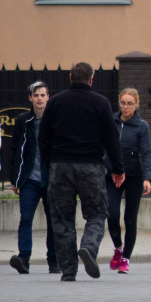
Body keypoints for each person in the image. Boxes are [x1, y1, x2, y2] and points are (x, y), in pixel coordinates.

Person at [39, 62, 124, 281]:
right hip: (90, 166)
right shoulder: (100, 103)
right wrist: (118, 168)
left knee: (62, 218)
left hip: (61, 166)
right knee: (97, 213)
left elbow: (43, 137)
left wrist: (50, 162)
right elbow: (111, 138)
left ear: (70, 77)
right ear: (92, 79)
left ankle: (68, 271)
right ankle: (88, 247)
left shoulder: (55, 102)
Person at [8, 81, 60, 274]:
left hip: (50, 178)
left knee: (52, 219)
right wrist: (15, 178)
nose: (39, 99)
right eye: (36, 95)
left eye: (43, 95)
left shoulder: (55, 119)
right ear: (30, 98)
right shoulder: (24, 120)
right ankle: (24, 258)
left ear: (48, 97)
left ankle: (54, 260)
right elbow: (15, 150)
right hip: (29, 178)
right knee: (26, 218)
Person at [105, 88, 151, 274]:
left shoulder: (141, 126)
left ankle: (126, 258)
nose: (126, 107)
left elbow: (146, 153)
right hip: (113, 175)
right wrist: (109, 169)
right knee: (112, 213)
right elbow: (106, 147)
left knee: (130, 218)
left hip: (134, 175)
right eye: (123, 103)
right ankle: (118, 248)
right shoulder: (112, 122)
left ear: (136, 104)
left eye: (129, 103)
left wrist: (147, 178)